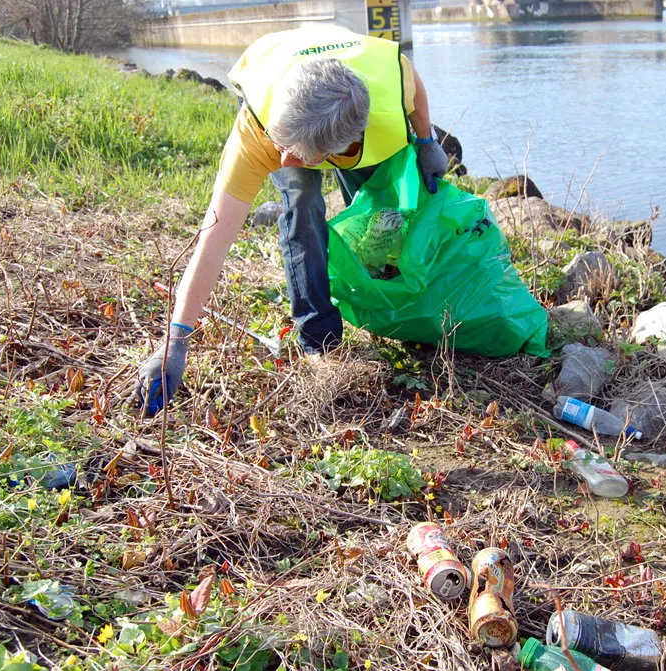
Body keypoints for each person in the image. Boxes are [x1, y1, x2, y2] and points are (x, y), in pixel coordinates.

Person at [132, 25, 449, 416]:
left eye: (296, 153)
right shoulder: (260, 131)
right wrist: (176, 340)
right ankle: (320, 340)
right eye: (282, 147)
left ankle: (385, 304)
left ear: (337, 150)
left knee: (384, 208)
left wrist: (426, 142)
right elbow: (214, 236)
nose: (283, 160)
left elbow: (411, 82)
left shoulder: (389, 90)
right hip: (282, 75)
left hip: (351, 96)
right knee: (301, 200)